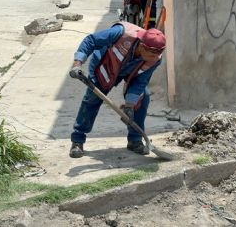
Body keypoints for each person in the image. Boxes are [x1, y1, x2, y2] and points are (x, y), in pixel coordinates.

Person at [68, 21, 166, 158]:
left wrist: (129, 106)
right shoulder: (121, 33)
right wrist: (77, 64)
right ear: (142, 46)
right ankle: (77, 140)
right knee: (92, 98)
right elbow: (91, 40)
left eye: (156, 56)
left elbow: (140, 82)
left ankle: (135, 140)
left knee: (143, 97)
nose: (154, 59)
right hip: (105, 65)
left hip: (130, 71)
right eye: (151, 55)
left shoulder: (155, 59)